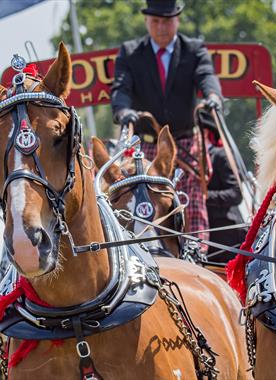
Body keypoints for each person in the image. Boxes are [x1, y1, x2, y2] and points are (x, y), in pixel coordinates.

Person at [111, 0, 223, 245]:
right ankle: (143, 249)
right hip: (145, 146)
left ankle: (196, 252)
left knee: (191, 198)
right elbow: (121, 88)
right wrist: (123, 111)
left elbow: (207, 76)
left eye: (167, 21)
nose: (161, 27)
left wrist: (213, 97)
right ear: (147, 21)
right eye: (156, 21)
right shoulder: (130, 52)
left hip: (185, 143)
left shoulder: (194, 49)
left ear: (177, 20)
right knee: (143, 195)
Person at [204, 126, 246, 262]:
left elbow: (235, 193)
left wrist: (203, 197)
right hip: (205, 232)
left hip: (226, 233)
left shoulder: (220, 155)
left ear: (204, 132)